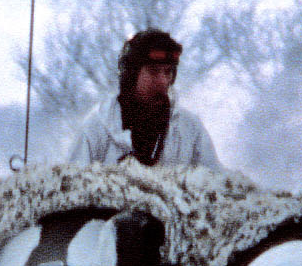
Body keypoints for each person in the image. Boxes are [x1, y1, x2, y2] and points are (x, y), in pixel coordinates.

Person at [61, 28, 220, 169]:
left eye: (168, 72)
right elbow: (71, 189)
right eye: (153, 71)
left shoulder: (189, 129)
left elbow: (217, 186)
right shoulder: (98, 129)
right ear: (131, 75)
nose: (163, 81)